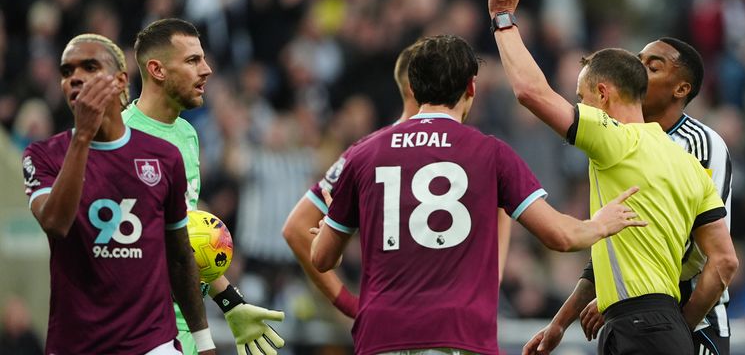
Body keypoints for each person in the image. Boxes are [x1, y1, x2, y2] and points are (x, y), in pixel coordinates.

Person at [310, 34, 646, 355]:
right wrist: (600, 224)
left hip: (380, 335)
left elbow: (322, 258)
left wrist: (331, 238)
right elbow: (560, 236)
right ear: (471, 87)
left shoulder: (364, 153)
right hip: (459, 333)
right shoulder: (490, 153)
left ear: (413, 86)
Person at [486, 0, 738, 355]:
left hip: (663, 321)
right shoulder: (684, 163)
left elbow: (531, 92)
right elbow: (715, 254)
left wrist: (503, 19)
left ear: (603, 94)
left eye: (581, 97)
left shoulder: (619, 140)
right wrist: (562, 321)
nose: (580, 106)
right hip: (652, 321)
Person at [283, 41, 515, 319]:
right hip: (412, 317)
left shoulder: (374, 151)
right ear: (414, 87)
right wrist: (349, 304)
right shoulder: (371, 152)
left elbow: (501, 202)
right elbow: (297, 227)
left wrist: (493, 279)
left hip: (429, 318)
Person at [22, 33, 215, 354]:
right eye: (67, 71)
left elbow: (180, 255)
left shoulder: (164, 156)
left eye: (90, 67)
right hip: (77, 342)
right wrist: (83, 137)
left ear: (121, 80)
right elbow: (55, 223)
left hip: (153, 342)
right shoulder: (43, 155)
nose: (75, 78)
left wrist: (204, 340)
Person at [126, 18, 284, 355]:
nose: (207, 69)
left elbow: (189, 241)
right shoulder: (119, 138)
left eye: (204, 58)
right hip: (140, 330)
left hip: (186, 323)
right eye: (192, 60)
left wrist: (231, 302)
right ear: (157, 70)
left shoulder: (186, 134)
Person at [574, 38, 735, 355]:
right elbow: (615, 244)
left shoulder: (701, 143)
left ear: (681, 89)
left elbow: (707, 251)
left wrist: (643, 299)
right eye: (639, 61)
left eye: (653, 66)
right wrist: (562, 320)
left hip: (696, 318)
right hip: (642, 317)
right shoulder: (623, 141)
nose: (640, 70)